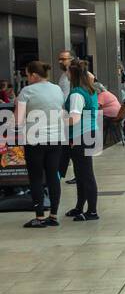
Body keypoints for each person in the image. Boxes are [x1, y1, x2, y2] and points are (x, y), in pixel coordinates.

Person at [15, 60, 67, 228]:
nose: (27, 78)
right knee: (53, 176)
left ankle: (39, 216)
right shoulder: (57, 89)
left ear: (34, 75)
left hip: (35, 139)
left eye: (28, 75)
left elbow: (18, 120)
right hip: (56, 138)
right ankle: (53, 215)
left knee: (36, 177)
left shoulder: (26, 91)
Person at [65, 59, 101, 222]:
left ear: (73, 74)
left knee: (85, 174)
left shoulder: (77, 93)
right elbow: (91, 75)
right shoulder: (90, 89)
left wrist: (56, 120)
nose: (65, 74)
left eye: (67, 71)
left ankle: (92, 210)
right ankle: (80, 207)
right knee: (81, 173)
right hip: (91, 132)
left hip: (81, 135)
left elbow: (74, 118)